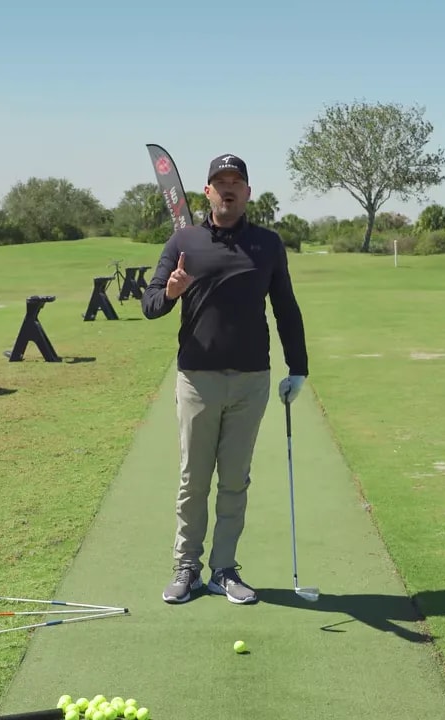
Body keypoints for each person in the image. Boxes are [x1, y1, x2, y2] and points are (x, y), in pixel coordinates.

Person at [141, 153, 309, 605]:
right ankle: (187, 566)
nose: (228, 188)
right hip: (198, 379)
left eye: (237, 181)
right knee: (194, 478)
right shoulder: (184, 242)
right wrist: (172, 292)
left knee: (235, 480)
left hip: (251, 380)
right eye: (221, 182)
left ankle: (224, 569)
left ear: (248, 192)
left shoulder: (268, 244)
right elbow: (150, 302)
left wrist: (299, 368)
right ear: (207, 192)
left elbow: (286, 308)